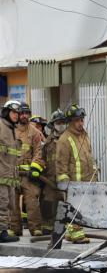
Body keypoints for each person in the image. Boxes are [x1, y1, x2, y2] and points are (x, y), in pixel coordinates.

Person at [56, 104, 97, 243]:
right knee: (74, 208)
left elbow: (89, 156)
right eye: (77, 120)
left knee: (82, 208)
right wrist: (65, 183)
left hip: (86, 180)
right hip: (73, 182)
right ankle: (76, 234)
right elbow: (61, 164)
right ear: (71, 121)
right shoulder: (64, 139)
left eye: (82, 120)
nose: (81, 123)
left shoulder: (84, 136)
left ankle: (70, 232)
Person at [10, 102, 45, 237]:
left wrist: (35, 167)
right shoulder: (10, 131)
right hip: (12, 173)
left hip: (29, 174)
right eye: (22, 113)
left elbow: (39, 152)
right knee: (12, 202)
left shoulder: (35, 133)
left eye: (27, 113)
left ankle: (35, 228)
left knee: (32, 201)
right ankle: (15, 229)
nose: (24, 116)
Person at [40, 110, 67, 235]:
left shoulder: (69, 139)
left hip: (66, 178)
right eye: (58, 122)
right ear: (53, 124)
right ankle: (47, 227)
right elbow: (42, 158)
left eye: (63, 122)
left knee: (65, 204)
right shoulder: (47, 142)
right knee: (47, 203)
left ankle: (65, 227)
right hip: (50, 178)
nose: (60, 124)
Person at [0, 101, 22, 242]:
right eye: (13, 112)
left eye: (17, 113)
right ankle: (2, 232)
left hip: (10, 175)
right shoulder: (1, 126)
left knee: (9, 204)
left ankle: (4, 230)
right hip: (1, 174)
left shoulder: (12, 129)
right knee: (2, 202)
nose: (16, 115)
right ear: (7, 112)